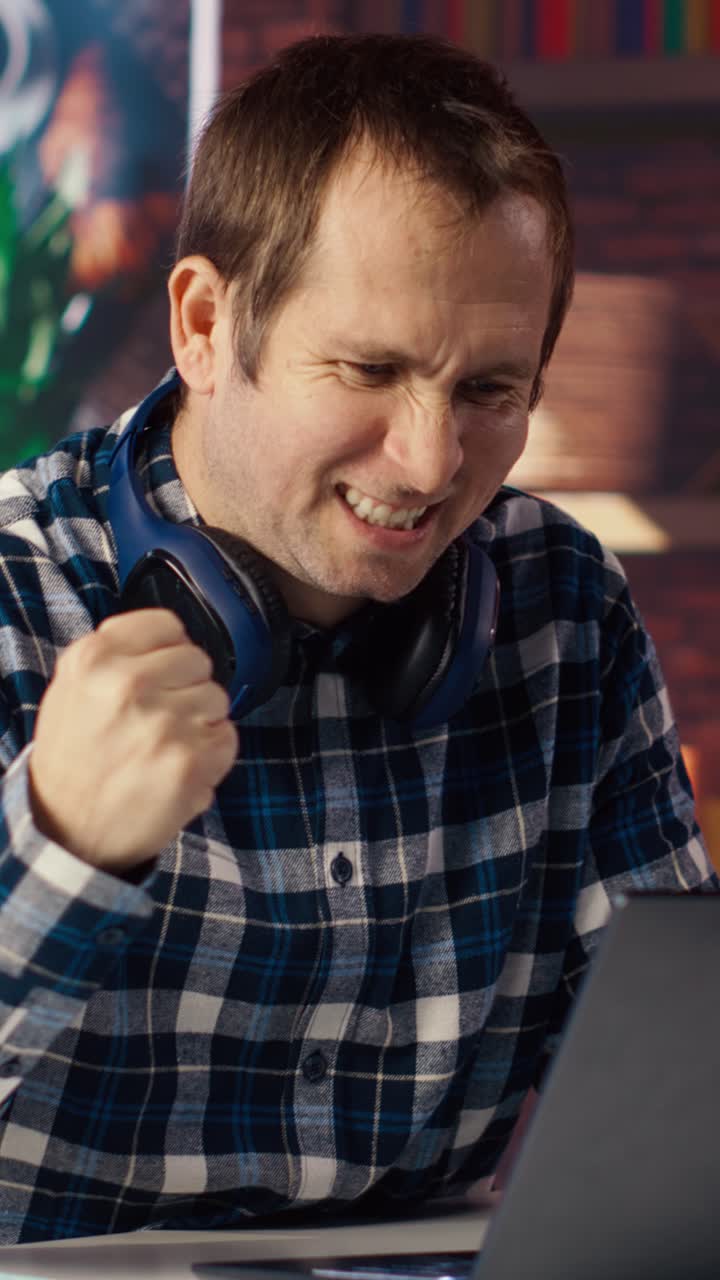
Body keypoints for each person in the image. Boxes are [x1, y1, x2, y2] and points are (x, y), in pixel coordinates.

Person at [0, 33, 715, 1246]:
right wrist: (57, 848)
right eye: (370, 368)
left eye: (490, 390)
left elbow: (679, 1071)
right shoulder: (17, 595)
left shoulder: (561, 599)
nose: (433, 464)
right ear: (205, 324)